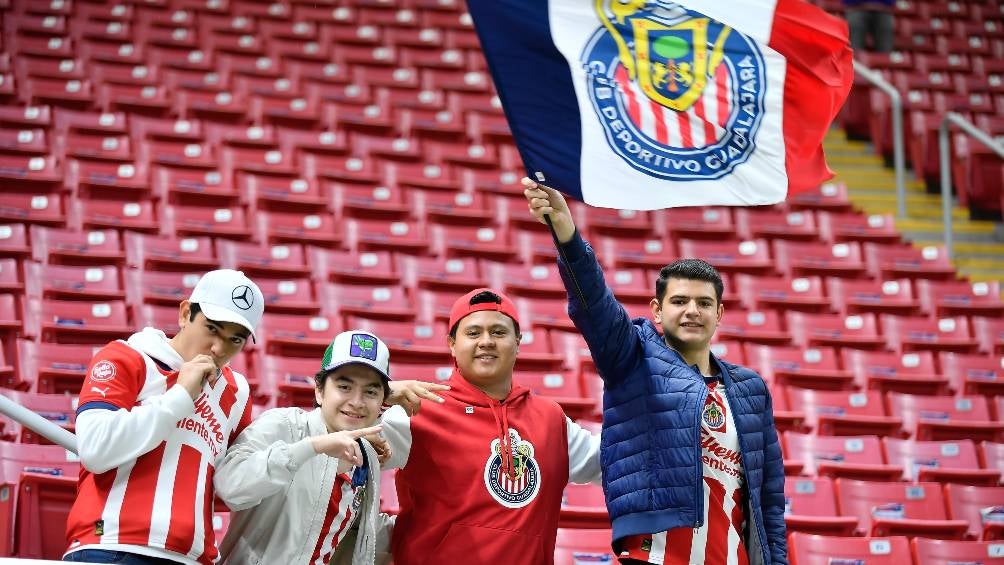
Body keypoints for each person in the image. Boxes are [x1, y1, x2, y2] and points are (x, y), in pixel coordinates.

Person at [523, 178, 788, 565]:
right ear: (658, 310)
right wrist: (567, 234)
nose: (692, 311)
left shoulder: (750, 389)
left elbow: (769, 497)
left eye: (703, 302)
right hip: (656, 556)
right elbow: (594, 305)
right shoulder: (632, 357)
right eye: (679, 301)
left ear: (719, 314)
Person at [380, 287, 602, 564]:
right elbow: (342, 453)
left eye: (498, 332)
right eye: (473, 333)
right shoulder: (419, 409)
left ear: (518, 342)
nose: (486, 341)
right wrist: (378, 394)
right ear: (451, 343)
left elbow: (618, 463)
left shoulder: (551, 419)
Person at [64, 269, 264, 564]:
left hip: (192, 558)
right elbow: (95, 449)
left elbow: (229, 485)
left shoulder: (237, 393)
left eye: (235, 339)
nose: (219, 348)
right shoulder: (127, 356)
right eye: (211, 329)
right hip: (109, 544)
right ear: (185, 313)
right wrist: (181, 395)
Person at [213, 330, 449, 565]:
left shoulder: (365, 456)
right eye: (344, 387)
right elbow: (230, 486)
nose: (356, 402)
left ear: (382, 402)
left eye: (370, 392)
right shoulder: (284, 425)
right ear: (319, 389)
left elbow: (351, 533)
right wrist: (312, 447)